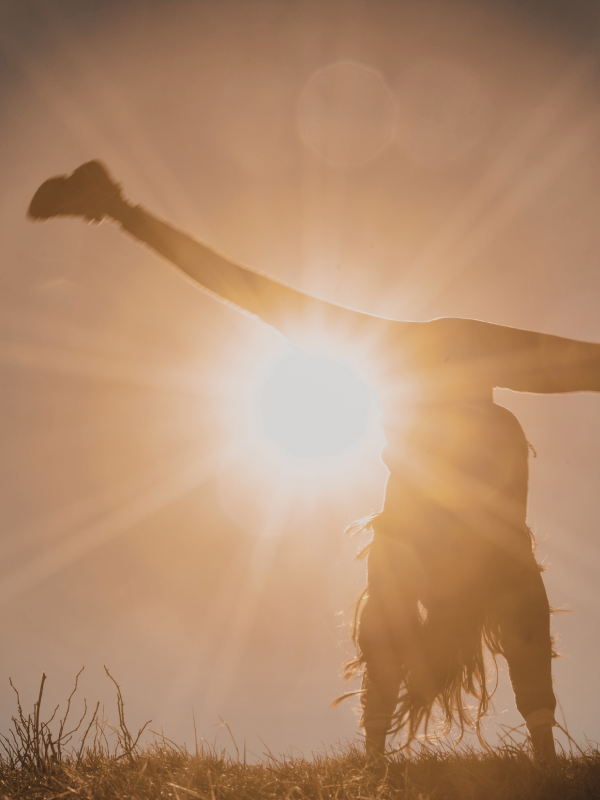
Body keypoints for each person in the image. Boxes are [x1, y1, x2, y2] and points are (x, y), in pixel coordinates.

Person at [27, 161, 600, 760]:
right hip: (452, 463)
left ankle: (435, 748)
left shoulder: (435, 564)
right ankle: (494, 748)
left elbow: (246, 289)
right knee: (440, 582)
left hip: (448, 456)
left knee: (424, 582)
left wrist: (124, 213)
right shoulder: (454, 565)